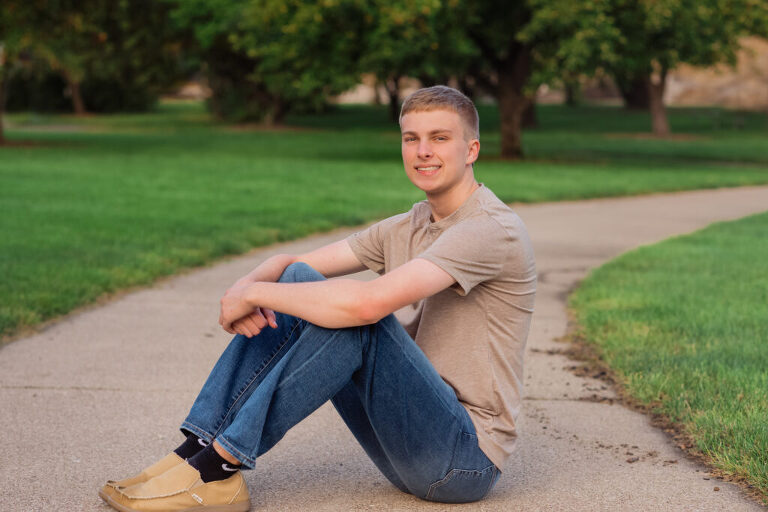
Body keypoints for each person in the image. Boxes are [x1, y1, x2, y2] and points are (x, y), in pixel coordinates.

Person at [99, 85, 536, 512]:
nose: (423, 151)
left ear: (471, 150)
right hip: (408, 446)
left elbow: (366, 306)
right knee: (299, 280)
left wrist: (255, 294)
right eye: (411, 138)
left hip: (463, 461)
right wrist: (244, 287)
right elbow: (293, 266)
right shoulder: (412, 223)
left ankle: (216, 468)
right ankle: (195, 450)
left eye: (439, 138)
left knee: (355, 320)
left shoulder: (489, 229)